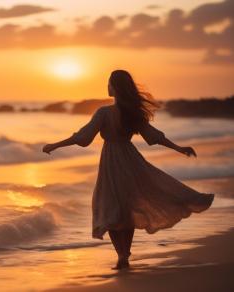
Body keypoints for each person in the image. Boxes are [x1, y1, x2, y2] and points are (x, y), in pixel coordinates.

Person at [42, 69, 214, 270]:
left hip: (111, 162)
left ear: (115, 87)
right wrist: (178, 148)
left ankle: (122, 254)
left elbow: (83, 137)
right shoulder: (132, 114)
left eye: (109, 83)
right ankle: (124, 254)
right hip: (131, 160)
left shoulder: (104, 113)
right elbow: (154, 136)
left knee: (109, 207)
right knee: (126, 207)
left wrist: (55, 145)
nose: (106, 86)